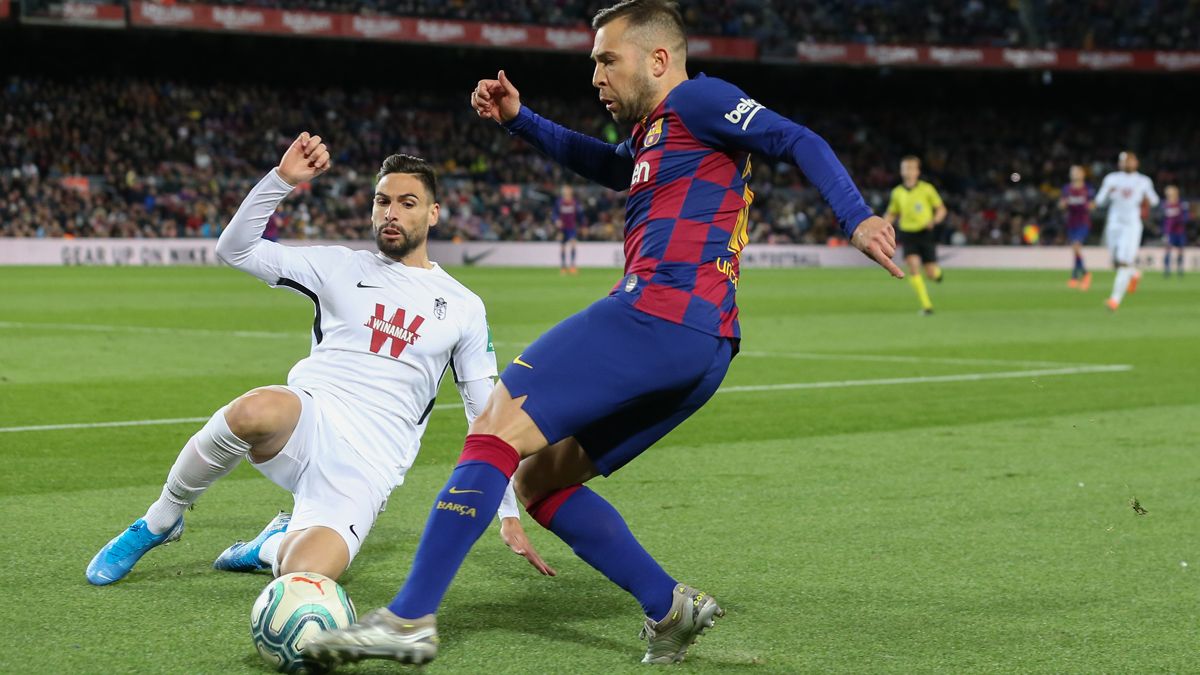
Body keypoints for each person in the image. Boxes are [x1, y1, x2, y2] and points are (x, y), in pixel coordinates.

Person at [307, 0, 901, 667]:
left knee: (494, 431)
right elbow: (612, 166)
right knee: (538, 480)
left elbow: (799, 139)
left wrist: (856, 216)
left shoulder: (702, 99)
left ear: (658, 59)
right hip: (704, 347)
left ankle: (409, 617)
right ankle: (668, 606)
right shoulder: (656, 134)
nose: (596, 76)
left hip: (658, 312)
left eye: (605, 60)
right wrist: (519, 120)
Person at [86, 133, 551, 587]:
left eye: (407, 203)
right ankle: (160, 521)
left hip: (369, 465)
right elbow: (234, 250)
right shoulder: (338, 266)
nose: (391, 213)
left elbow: (484, 411)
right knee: (253, 409)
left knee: (304, 574)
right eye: (382, 201)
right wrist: (281, 179)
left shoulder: (464, 305)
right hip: (309, 419)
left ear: (433, 214)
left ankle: (272, 544)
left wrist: (506, 510)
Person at [1095, 151, 1160, 311]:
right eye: (1124, 161)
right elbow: (1099, 201)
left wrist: (1147, 199)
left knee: (1124, 262)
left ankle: (1114, 300)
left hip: (1132, 225)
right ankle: (1134, 274)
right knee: (1116, 262)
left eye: (1130, 161)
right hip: (1114, 223)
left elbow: (1155, 200)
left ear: (1136, 163)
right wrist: (1108, 192)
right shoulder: (1111, 179)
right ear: (1120, 163)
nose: (1127, 163)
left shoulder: (1143, 181)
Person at [884, 156, 947, 315]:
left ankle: (937, 275)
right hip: (907, 233)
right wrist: (882, 225)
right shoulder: (897, 192)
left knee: (931, 272)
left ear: (918, 171)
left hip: (925, 233)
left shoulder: (927, 189)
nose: (908, 171)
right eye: (905, 168)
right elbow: (892, 213)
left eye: (911, 168)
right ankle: (927, 306)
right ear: (901, 170)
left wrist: (934, 220)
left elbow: (941, 209)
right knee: (913, 266)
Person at [1060, 165, 1095, 289]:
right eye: (1072, 172)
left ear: (1082, 174)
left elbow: (1092, 205)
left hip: (1083, 222)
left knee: (1076, 246)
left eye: (1077, 172)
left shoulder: (1087, 188)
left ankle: (1085, 274)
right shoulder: (1067, 189)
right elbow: (1061, 204)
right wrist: (1063, 204)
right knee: (1075, 249)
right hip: (1071, 222)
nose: (1074, 174)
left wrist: (1086, 205)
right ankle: (1074, 276)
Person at [1162, 185, 1189, 277]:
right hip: (1169, 231)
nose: (1169, 195)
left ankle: (1180, 270)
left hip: (1180, 231)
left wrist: (1179, 219)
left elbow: (1186, 217)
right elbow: (1162, 218)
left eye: (1171, 193)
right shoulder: (1165, 204)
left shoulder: (1182, 203)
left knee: (1180, 250)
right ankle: (1167, 270)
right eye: (1168, 193)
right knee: (1168, 249)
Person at [556, 184, 583, 274]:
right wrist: (556, 220)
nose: (566, 193)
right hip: (562, 228)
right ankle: (563, 267)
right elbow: (554, 214)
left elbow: (579, 215)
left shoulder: (574, 203)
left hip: (571, 228)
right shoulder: (559, 202)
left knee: (573, 244)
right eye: (565, 191)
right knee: (563, 247)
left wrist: (583, 225)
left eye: (568, 191)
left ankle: (572, 266)